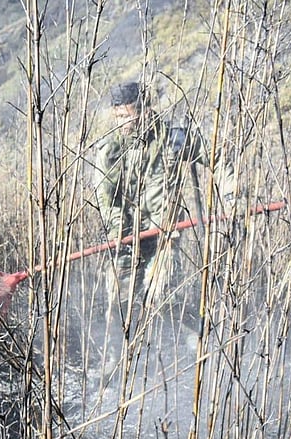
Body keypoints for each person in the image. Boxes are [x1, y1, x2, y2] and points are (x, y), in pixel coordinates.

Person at [92, 81, 238, 340]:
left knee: (159, 296)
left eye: (127, 116)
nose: (121, 124)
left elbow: (218, 156)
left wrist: (232, 197)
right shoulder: (109, 151)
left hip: (164, 238)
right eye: (117, 117)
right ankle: (119, 364)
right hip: (125, 241)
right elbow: (106, 199)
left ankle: (201, 334)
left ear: (144, 111)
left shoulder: (173, 138)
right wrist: (120, 231)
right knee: (117, 308)